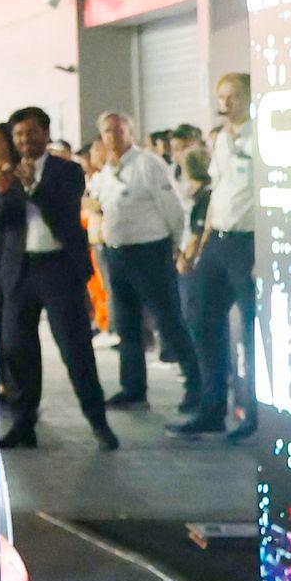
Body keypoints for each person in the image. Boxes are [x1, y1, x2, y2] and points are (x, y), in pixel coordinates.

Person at [0, 105, 117, 450]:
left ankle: (98, 421)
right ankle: (23, 423)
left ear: (45, 133)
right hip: (20, 271)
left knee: (75, 348)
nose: (24, 140)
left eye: (30, 133)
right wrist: (2, 192)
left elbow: (62, 210)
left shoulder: (68, 170)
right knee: (18, 349)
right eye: (17, 135)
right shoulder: (6, 172)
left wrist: (32, 186)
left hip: (60, 269)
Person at [86, 110, 196, 410]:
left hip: (150, 252)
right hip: (117, 253)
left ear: (130, 133)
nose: (114, 136)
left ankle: (195, 386)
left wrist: (176, 245)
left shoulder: (148, 164)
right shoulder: (105, 172)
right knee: (127, 324)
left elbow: (173, 208)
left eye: (119, 130)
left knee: (169, 320)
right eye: (108, 131)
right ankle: (133, 388)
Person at [174, 72, 262, 443]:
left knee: (255, 332)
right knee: (201, 317)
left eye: (232, 95)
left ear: (248, 97)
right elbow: (218, 192)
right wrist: (201, 243)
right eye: (221, 96)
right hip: (219, 242)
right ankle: (212, 409)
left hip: (249, 244)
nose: (225, 102)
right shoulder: (222, 139)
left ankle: (255, 414)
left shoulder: (262, 137)